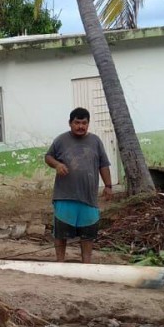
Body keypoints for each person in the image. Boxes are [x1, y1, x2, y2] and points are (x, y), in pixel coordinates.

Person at [44, 107, 113, 264]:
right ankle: (59, 262)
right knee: (61, 234)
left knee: (88, 235)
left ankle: (86, 264)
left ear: (88, 124)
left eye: (84, 123)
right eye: (77, 123)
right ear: (70, 123)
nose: (80, 126)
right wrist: (56, 165)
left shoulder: (96, 141)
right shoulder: (61, 140)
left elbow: (103, 165)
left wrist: (108, 186)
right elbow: (48, 157)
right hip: (64, 196)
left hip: (88, 197)